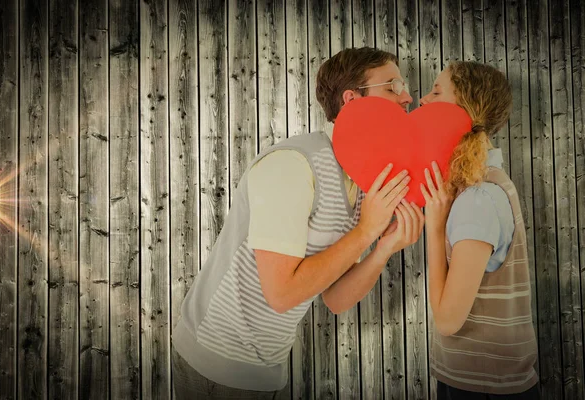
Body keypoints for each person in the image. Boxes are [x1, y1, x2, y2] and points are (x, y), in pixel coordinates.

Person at [171, 47, 425, 399]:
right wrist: (367, 230)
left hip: (269, 368)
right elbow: (282, 295)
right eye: (393, 86)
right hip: (215, 362)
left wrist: (382, 248)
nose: (408, 97)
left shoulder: (365, 180)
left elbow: (335, 298)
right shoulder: (293, 165)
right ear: (352, 100)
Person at [419, 61, 539, 399]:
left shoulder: (478, 198)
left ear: (464, 111)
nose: (424, 100)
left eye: (437, 91)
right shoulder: (480, 186)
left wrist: (434, 226)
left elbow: (447, 321)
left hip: (482, 388)